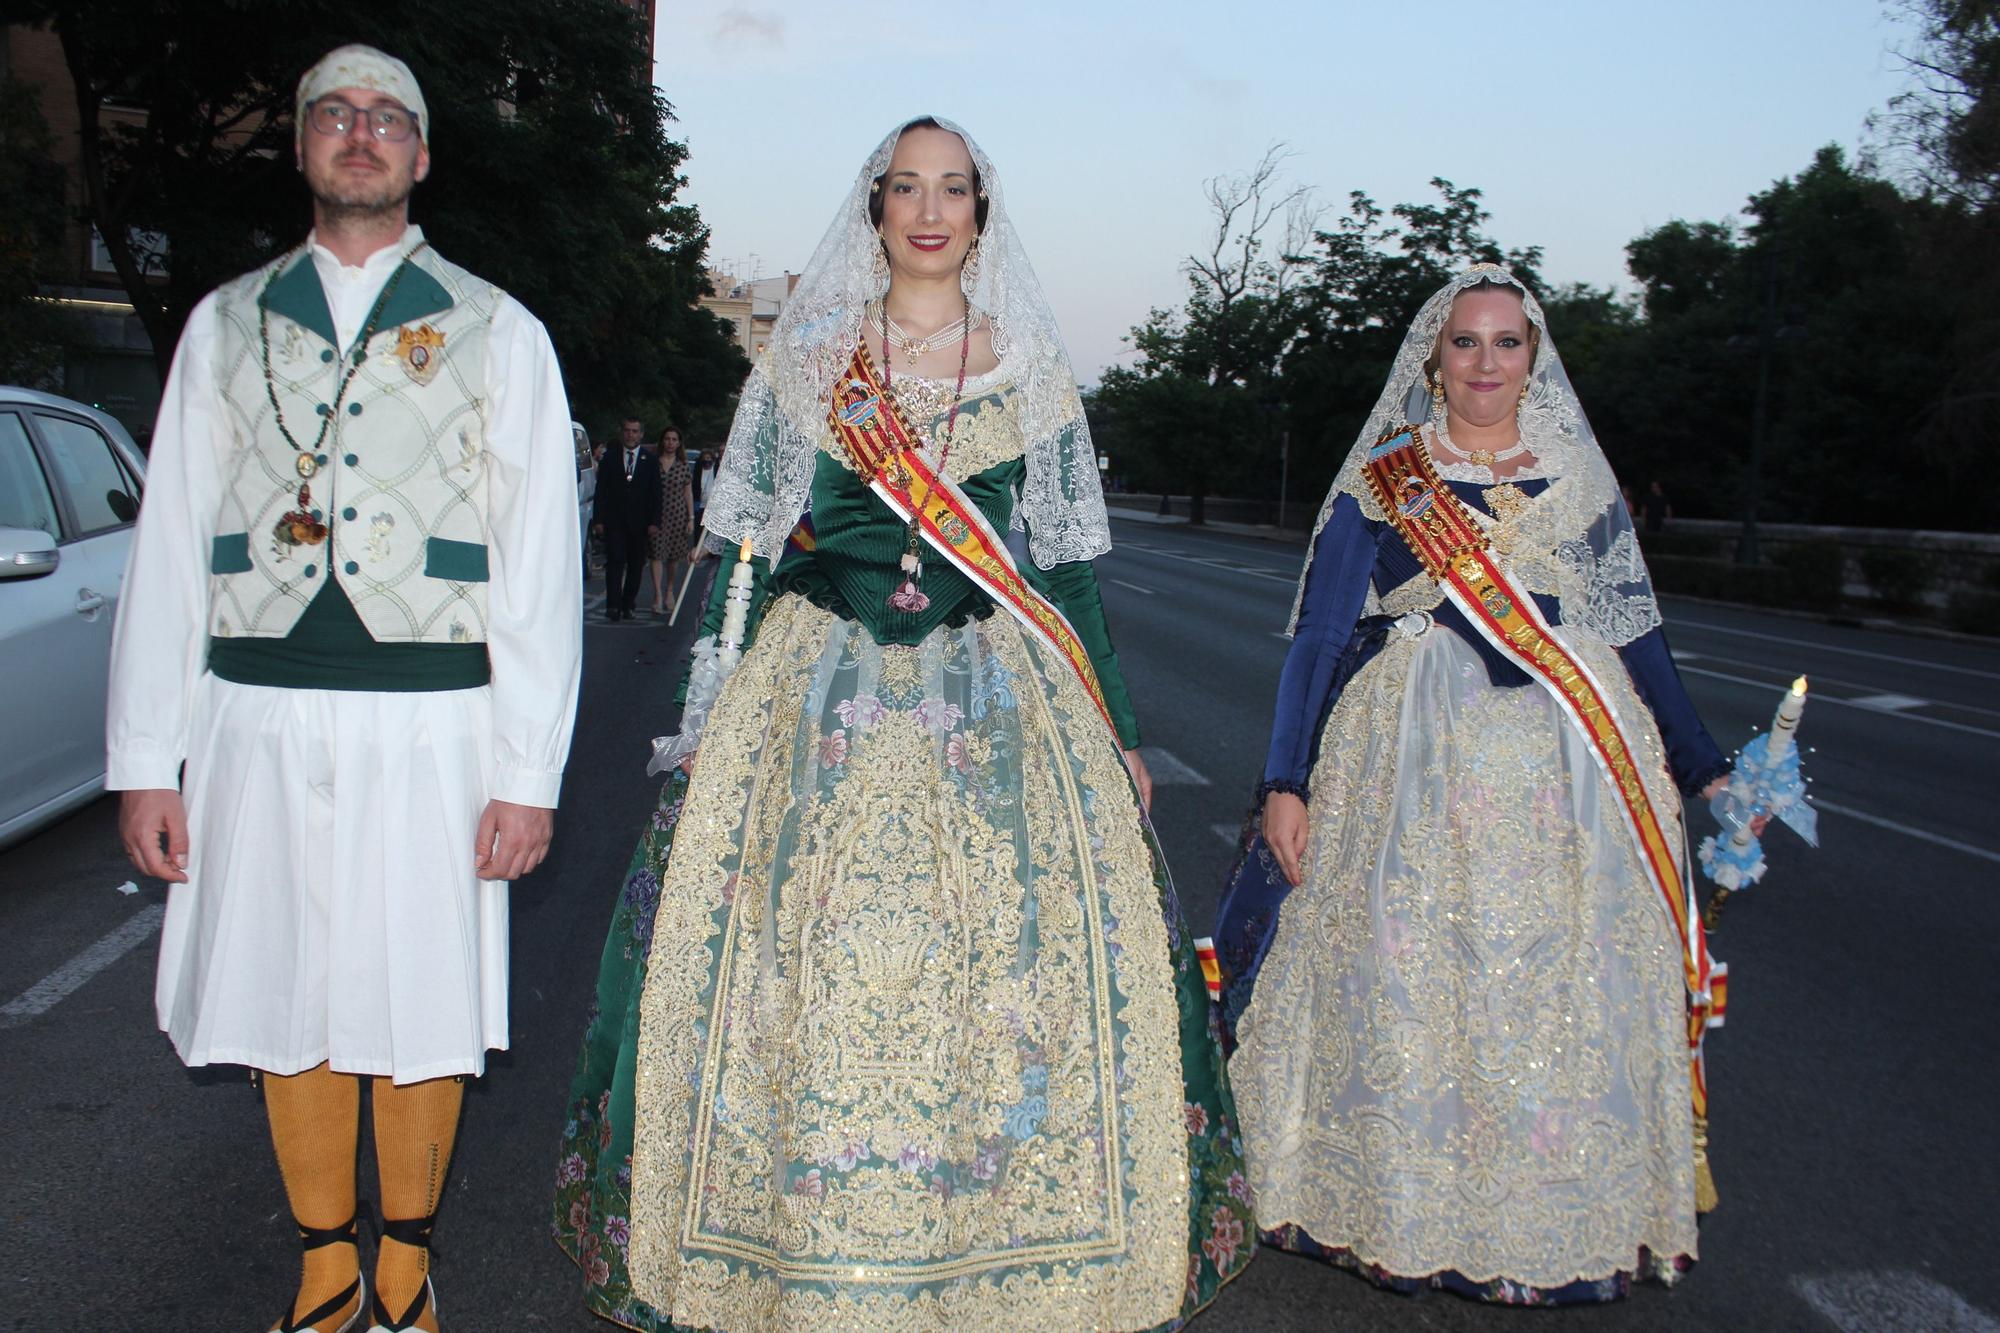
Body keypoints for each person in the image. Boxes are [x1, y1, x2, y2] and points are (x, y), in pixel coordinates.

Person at [553, 116, 1253, 1332]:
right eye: (905, 188)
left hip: (988, 695)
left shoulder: (1028, 365)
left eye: (954, 189)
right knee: (806, 960)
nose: (929, 210)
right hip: (814, 686)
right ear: (873, 206)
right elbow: (749, 555)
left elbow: (1070, 570)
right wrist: (705, 712)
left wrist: (1122, 729)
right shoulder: (812, 357)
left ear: (981, 210)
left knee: (995, 959)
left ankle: (984, 1235)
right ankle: (801, 1241)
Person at [106, 44, 581, 1333]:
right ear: (303, 147)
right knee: (283, 984)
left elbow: (539, 567)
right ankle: (325, 1266)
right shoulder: (222, 323)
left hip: (438, 720)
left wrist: (525, 774)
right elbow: (168, 546)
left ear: (421, 156)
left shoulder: (500, 329)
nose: (360, 134)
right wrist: (150, 754)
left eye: (387, 120)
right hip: (251, 709)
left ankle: (410, 1268)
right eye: (335, 116)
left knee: (418, 996)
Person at [1215, 265, 1737, 1305]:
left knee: (1557, 997)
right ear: (1433, 357)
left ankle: (1541, 1217)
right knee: (1411, 988)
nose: (1484, 363)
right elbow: (1319, 637)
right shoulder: (1385, 478)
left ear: (1531, 358)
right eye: (1464, 342)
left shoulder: (1577, 480)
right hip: (1413, 762)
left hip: (1573, 773)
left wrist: (1698, 764)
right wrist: (1284, 778)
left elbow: (1635, 633)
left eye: (1505, 343)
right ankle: (1406, 1204)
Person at [593, 416, 661, 620]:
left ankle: (628, 603)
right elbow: (601, 490)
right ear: (622, 433)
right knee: (615, 562)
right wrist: (598, 519)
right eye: (627, 431)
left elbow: (655, 492)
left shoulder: (649, 460)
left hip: (639, 523)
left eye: (634, 431)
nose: (630, 435)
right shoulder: (610, 458)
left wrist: (654, 521)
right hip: (614, 520)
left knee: (635, 563)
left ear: (641, 434)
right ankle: (612, 605)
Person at [645, 424, 695, 614]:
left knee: (674, 557)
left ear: (679, 443)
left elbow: (688, 493)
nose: (670, 443)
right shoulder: (653, 463)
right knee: (656, 554)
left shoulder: (683, 466)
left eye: (674, 439)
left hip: (677, 515)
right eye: (667, 439)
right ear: (662, 441)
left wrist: (691, 518)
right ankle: (657, 593)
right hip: (657, 515)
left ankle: (669, 590)